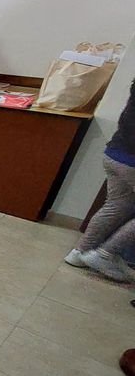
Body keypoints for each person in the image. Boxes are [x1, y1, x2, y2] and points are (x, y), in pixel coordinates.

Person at [65, 79, 135, 282]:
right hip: (132, 160)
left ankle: (80, 252)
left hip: (115, 153)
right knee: (118, 205)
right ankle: (105, 254)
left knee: (116, 205)